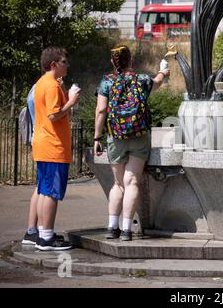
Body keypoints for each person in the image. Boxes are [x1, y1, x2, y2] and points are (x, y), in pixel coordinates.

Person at [94, 45, 170, 241]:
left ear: (113, 61)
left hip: (116, 137)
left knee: (118, 183)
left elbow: (101, 111)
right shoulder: (142, 80)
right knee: (132, 181)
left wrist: (97, 138)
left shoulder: (107, 82)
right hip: (139, 136)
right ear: (131, 60)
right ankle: (127, 229)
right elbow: (158, 82)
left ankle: (112, 227)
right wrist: (163, 70)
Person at [31, 46, 80, 251]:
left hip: (44, 145)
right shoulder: (50, 85)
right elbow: (54, 115)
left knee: (44, 190)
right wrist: (71, 101)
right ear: (54, 65)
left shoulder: (43, 83)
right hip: (53, 147)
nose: (67, 65)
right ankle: (47, 237)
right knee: (51, 192)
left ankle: (44, 234)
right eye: (64, 62)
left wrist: (65, 95)